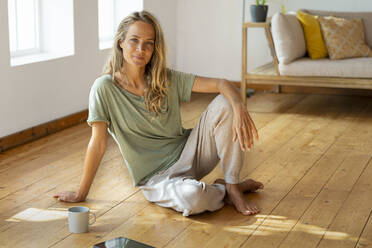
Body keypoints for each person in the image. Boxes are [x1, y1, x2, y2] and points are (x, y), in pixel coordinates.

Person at [54, 10, 263, 216]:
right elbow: (97, 144)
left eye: (148, 43)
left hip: (190, 153)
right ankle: (221, 190)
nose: (140, 49)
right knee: (194, 199)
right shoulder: (104, 88)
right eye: (134, 40)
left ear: (155, 48)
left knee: (226, 102)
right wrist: (81, 193)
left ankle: (233, 186)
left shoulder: (165, 78)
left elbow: (221, 84)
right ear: (121, 42)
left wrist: (239, 107)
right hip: (156, 178)